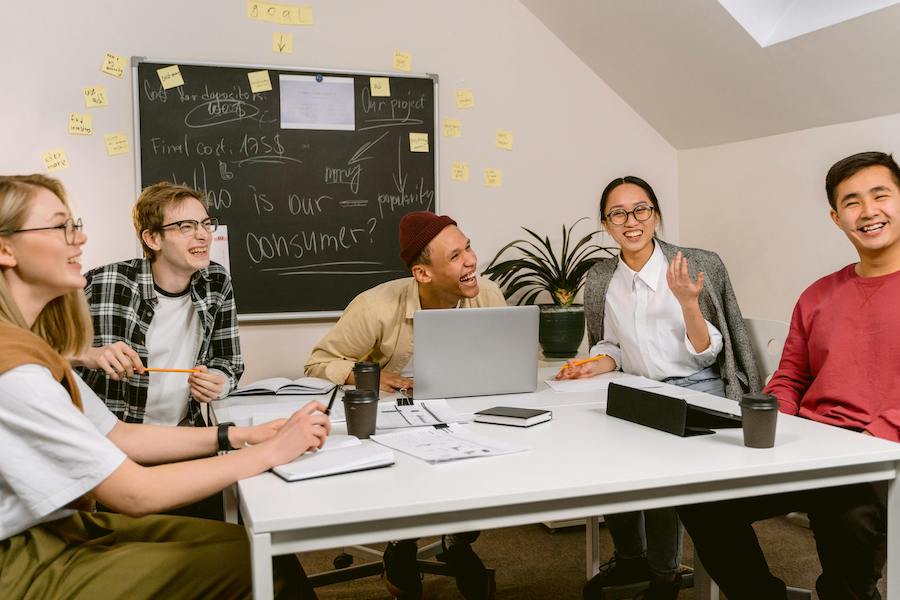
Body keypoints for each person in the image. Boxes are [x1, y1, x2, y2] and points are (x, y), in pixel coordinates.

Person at [0, 174, 330, 599]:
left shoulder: (24, 351)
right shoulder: (18, 372)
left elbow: (119, 436)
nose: (80, 239)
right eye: (61, 226)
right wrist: (272, 451)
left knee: (260, 548)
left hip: (60, 523)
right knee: (258, 561)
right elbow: (134, 493)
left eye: (205, 224)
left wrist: (242, 434)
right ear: (5, 249)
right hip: (29, 551)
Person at [678, 151, 900, 600]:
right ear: (837, 218)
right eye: (852, 202)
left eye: (881, 196)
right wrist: (776, 418)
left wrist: (864, 444)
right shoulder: (819, 294)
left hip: (878, 458)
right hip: (811, 447)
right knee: (702, 500)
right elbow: (791, 376)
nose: (869, 211)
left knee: (849, 538)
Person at [557, 176, 759, 600]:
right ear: (605, 224)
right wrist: (593, 364)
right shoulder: (601, 279)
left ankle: (664, 574)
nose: (631, 221)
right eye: (618, 213)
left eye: (641, 209)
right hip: (638, 389)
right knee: (604, 457)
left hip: (697, 389)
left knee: (657, 470)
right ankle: (632, 558)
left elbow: (708, 354)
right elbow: (611, 343)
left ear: (656, 215)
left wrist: (688, 302)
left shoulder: (695, 265)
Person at [305, 211, 505, 600]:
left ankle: (458, 543)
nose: (470, 261)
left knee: (485, 464)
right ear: (423, 273)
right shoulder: (377, 306)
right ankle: (401, 545)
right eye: (455, 257)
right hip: (398, 418)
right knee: (409, 474)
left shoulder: (488, 294)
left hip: (465, 411)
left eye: (468, 248)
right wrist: (373, 377)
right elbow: (317, 363)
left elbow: (506, 361)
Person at [72, 182, 242, 428]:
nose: (204, 235)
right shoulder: (101, 283)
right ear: (152, 238)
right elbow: (37, 355)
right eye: (186, 226)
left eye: (206, 224)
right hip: (107, 436)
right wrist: (87, 354)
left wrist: (218, 381)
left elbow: (229, 361)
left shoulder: (216, 281)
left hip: (182, 429)